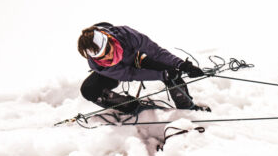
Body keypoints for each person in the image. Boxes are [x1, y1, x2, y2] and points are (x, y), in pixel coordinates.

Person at [77, 22, 207, 113]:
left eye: (107, 52)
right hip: (115, 73)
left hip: (135, 58)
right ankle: (130, 106)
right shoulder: (96, 64)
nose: (107, 58)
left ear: (109, 40)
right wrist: (161, 75)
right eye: (100, 58)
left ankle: (187, 108)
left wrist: (181, 64)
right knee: (89, 90)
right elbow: (130, 74)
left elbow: (156, 52)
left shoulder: (126, 35)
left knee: (170, 70)